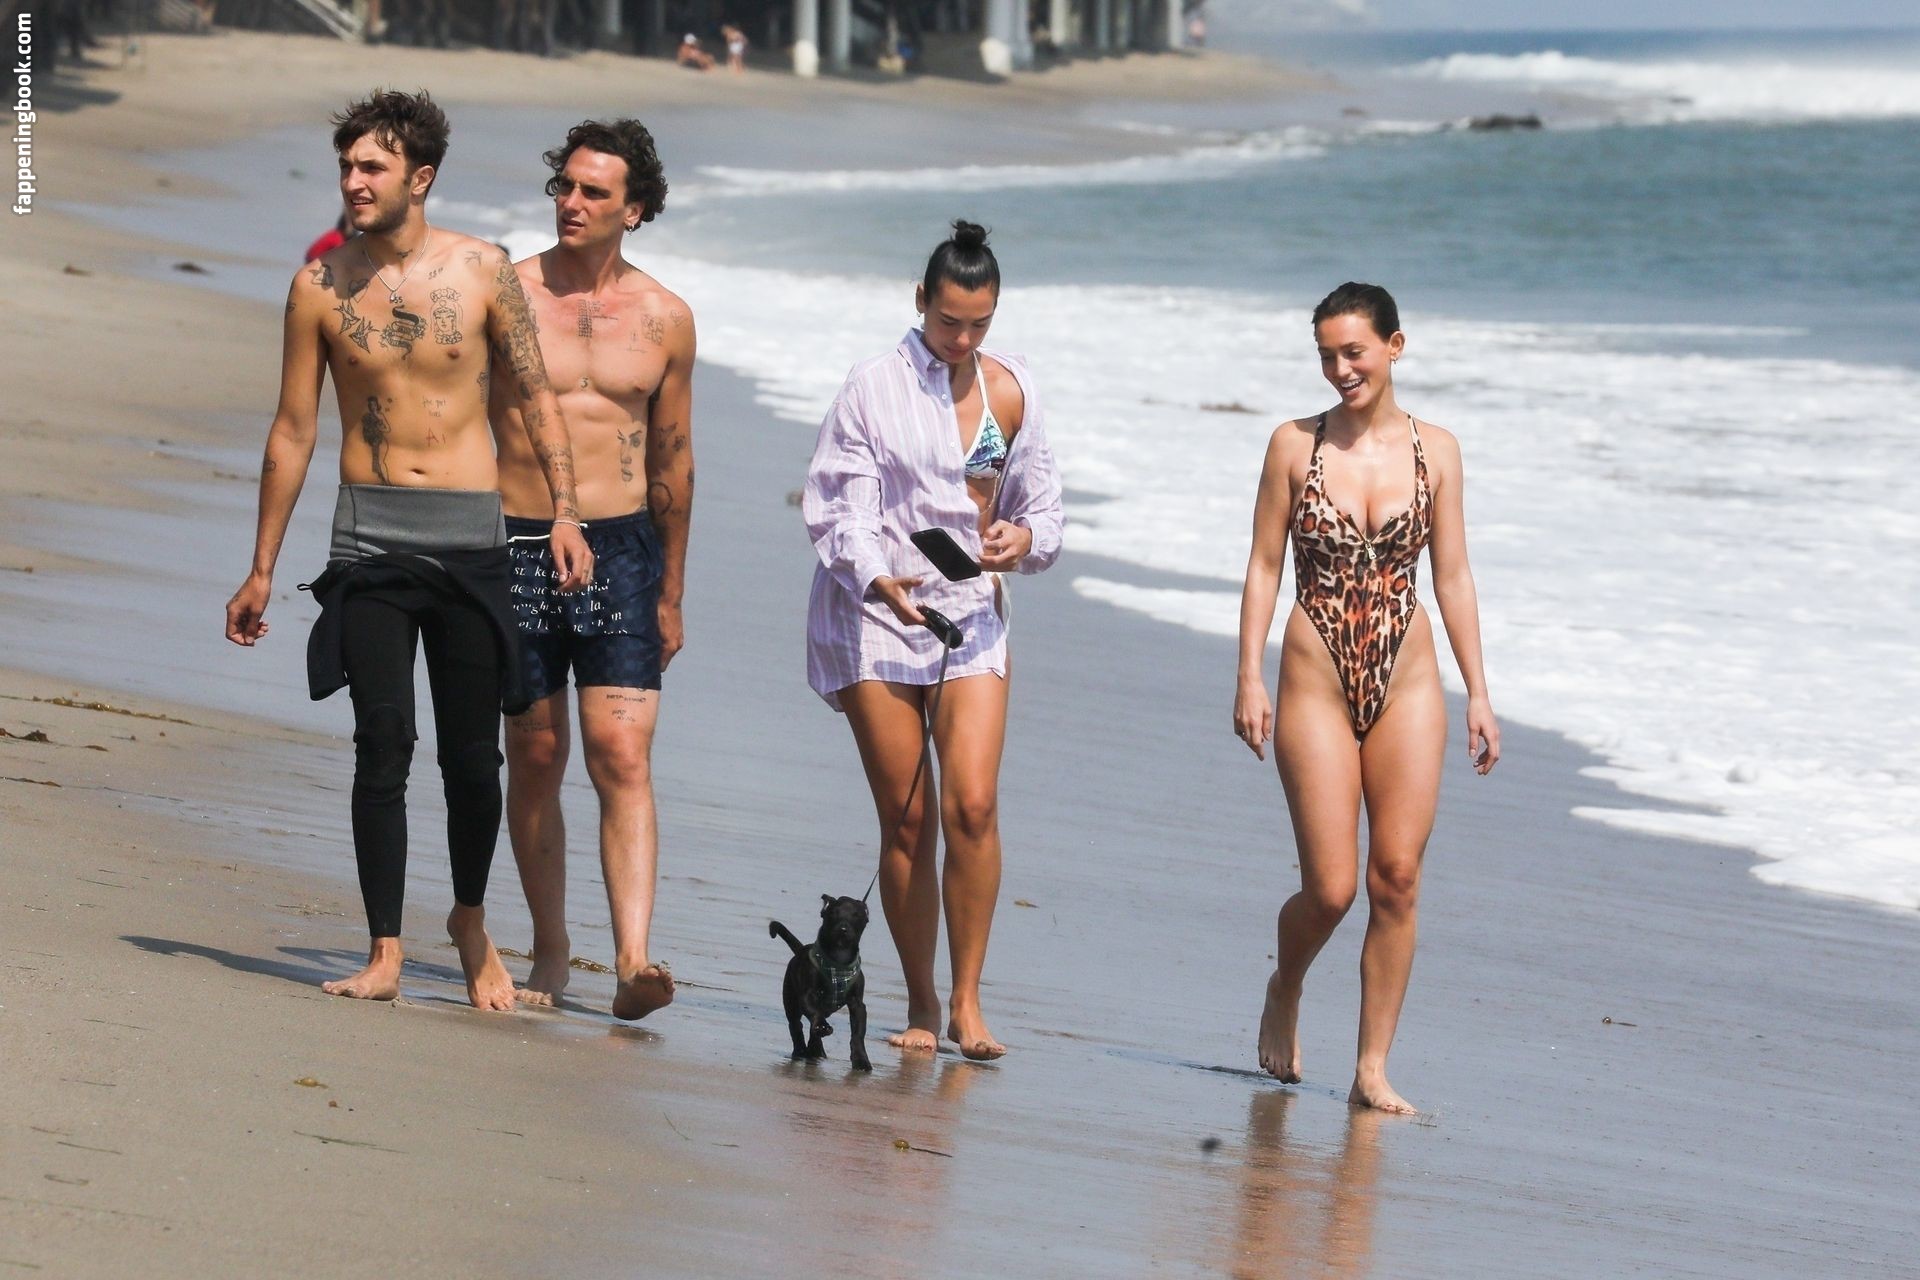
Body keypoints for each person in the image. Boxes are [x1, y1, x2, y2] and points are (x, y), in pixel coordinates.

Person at [223, 90, 593, 1011]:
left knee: (472, 761)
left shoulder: (483, 270)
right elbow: (293, 430)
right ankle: (384, 949)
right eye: (347, 166)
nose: (354, 181)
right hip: (369, 540)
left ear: (419, 178)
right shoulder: (318, 287)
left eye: (372, 167)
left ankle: (469, 920)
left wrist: (567, 512)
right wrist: (262, 567)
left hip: (470, 541)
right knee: (382, 740)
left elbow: (536, 397)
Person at [1233, 282, 1500, 1113]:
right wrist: (1248, 675)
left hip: (1406, 677)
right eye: (1327, 355)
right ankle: (1286, 983)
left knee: (1397, 878)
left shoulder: (1437, 452)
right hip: (1314, 675)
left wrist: (1480, 693)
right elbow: (1264, 566)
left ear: (1394, 345)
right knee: (1332, 888)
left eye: (1354, 352)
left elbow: (1453, 576)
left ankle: (1371, 1068)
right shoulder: (1294, 446)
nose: (1340, 369)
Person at [802, 221, 1064, 1061]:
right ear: (921, 301)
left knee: (973, 805)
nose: (961, 338)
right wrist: (877, 576)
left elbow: (1042, 509)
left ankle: (967, 1001)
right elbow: (840, 506)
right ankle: (919, 1001)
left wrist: (1023, 540)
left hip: (970, 613)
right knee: (909, 818)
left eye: (979, 324)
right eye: (949, 321)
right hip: (878, 611)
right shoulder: (871, 387)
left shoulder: (1009, 389)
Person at [493, 119, 694, 1020]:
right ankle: (550, 948)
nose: (572, 203)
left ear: (634, 209)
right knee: (536, 753)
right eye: (565, 186)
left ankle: (633, 959)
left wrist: (672, 589)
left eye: (594, 192)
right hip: (517, 540)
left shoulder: (663, 317)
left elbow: (674, 458)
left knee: (621, 751)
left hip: (621, 550)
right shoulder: (507, 294)